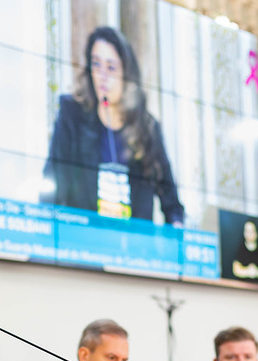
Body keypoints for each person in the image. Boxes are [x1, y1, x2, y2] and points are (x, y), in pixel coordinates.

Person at [41, 26, 184, 226]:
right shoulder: (71, 114)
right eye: (96, 65)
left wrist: (177, 232)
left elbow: (172, 206)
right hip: (81, 242)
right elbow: (52, 186)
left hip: (133, 247)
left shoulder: (147, 128)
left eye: (111, 67)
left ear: (127, 73)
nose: (102, 76)